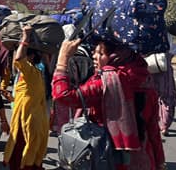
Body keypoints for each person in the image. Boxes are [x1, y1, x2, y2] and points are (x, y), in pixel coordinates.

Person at [53, 38, 166, 169]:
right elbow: (153, 129)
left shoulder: (105, 83)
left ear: (115, 57)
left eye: (101, 54)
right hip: (143, 159)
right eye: (94, 52)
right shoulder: (144, 79)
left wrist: (62, 60)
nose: (94, 57)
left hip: (106, 157)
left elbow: (63, 96)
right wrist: (159, 162)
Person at [2, 26, 49, 170]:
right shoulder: (31, 74)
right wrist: (12, 99)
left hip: (28, 123)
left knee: (23, 160)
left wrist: (25, 36)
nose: (16, 53)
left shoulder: (32, 72)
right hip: (28, 120)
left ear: (32, 57)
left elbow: (18, 59)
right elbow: (29, 97)